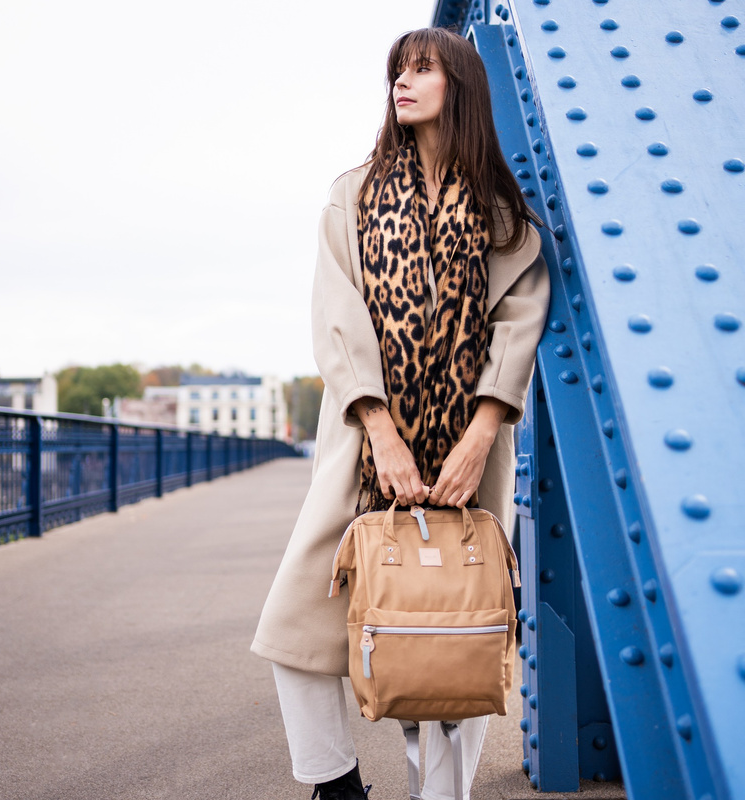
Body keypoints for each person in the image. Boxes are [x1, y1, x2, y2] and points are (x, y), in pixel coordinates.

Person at [252, 27, 550, 800]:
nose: (403, 82)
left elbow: (519, 319)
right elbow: (337, 316)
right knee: (297, 621)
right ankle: (335, 784)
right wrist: (381, 432)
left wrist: (482, 434)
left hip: (464, 455)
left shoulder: (498, 209)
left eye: (422, 69)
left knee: (459, 630)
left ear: (461, 85)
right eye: (397, 70)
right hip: (363, 447)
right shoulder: (353, 193)